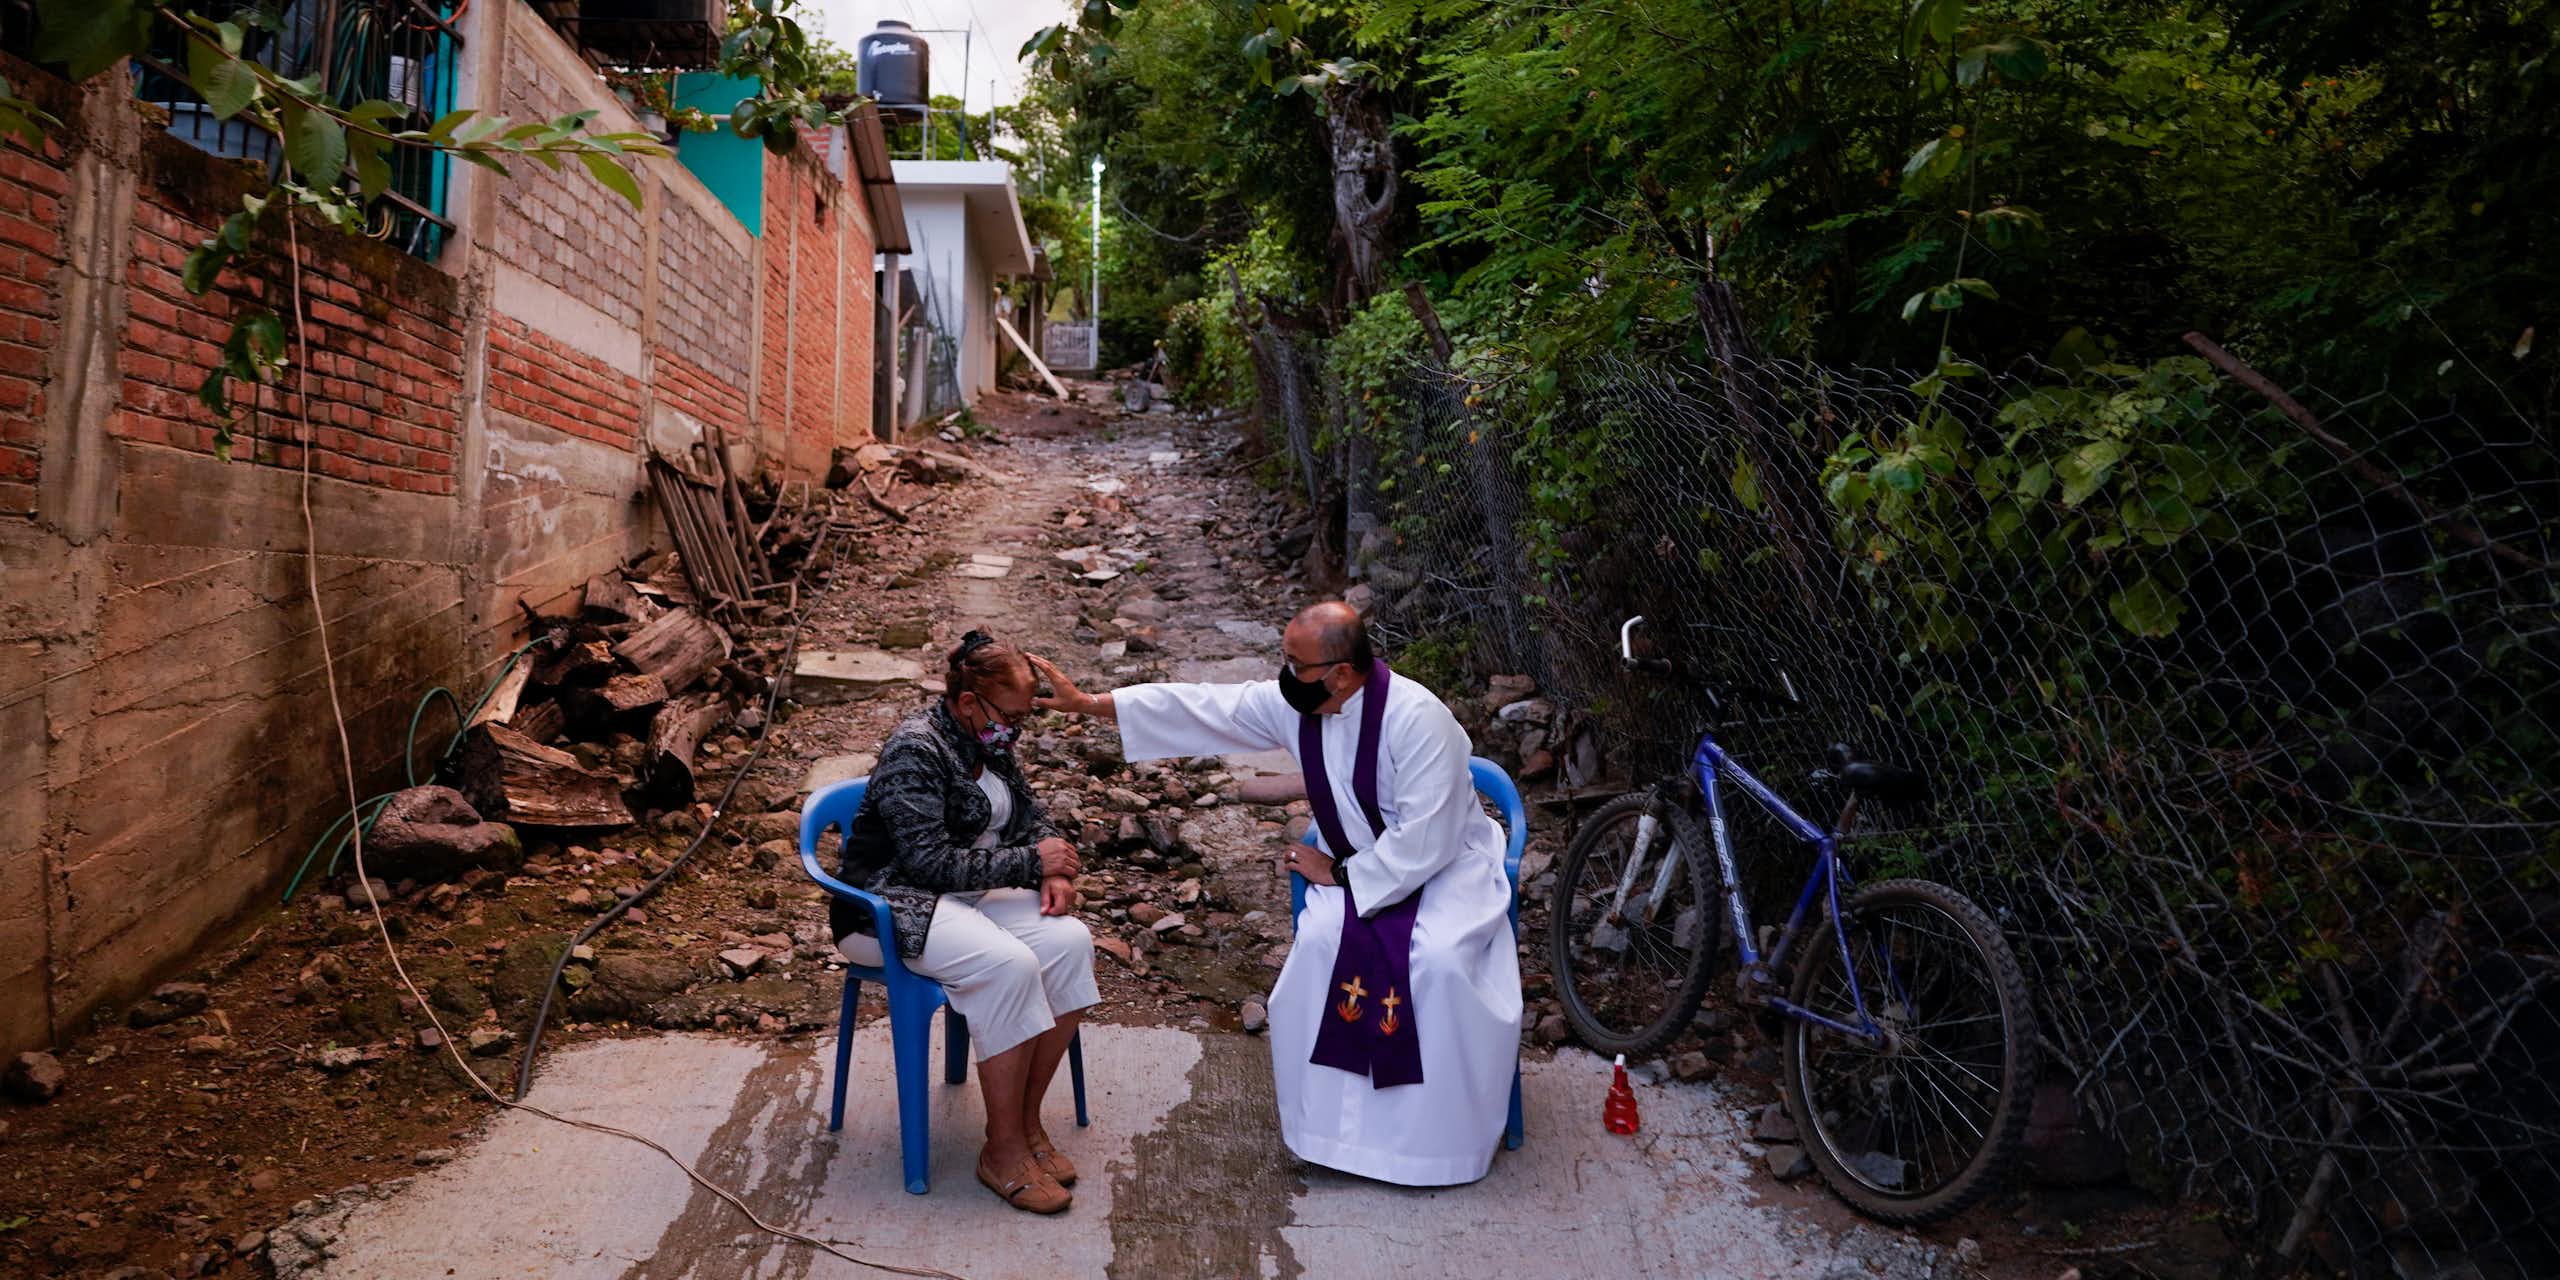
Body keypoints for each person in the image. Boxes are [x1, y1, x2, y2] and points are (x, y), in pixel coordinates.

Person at [1033, 603, 1522, 1186]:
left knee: (1438, 963)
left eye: (1296, 662)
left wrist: (1342, 875)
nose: (1284, 673)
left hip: (1441, 872)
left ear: (1341, 673)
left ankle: (1436, 1145)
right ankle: (1334, 1134)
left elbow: (1428, 839)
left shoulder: (1420, 720)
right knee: (1319, 947)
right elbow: (1208, 705)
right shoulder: (1303, 703)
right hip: (1356, 867)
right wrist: (1092, 705)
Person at [833, 631, 1096, 1214]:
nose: (1017, 729)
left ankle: (1024, 1125)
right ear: (970, 698)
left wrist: (1054, 864)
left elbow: (1031, 812)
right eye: (1012, 714)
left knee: (1070, 942)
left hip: (964, 897)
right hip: (889, 904)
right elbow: (925, 862)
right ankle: (1000, 1151)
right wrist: (1032, 862)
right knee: (1010, 964)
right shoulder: (915, 748)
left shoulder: (988, 738)